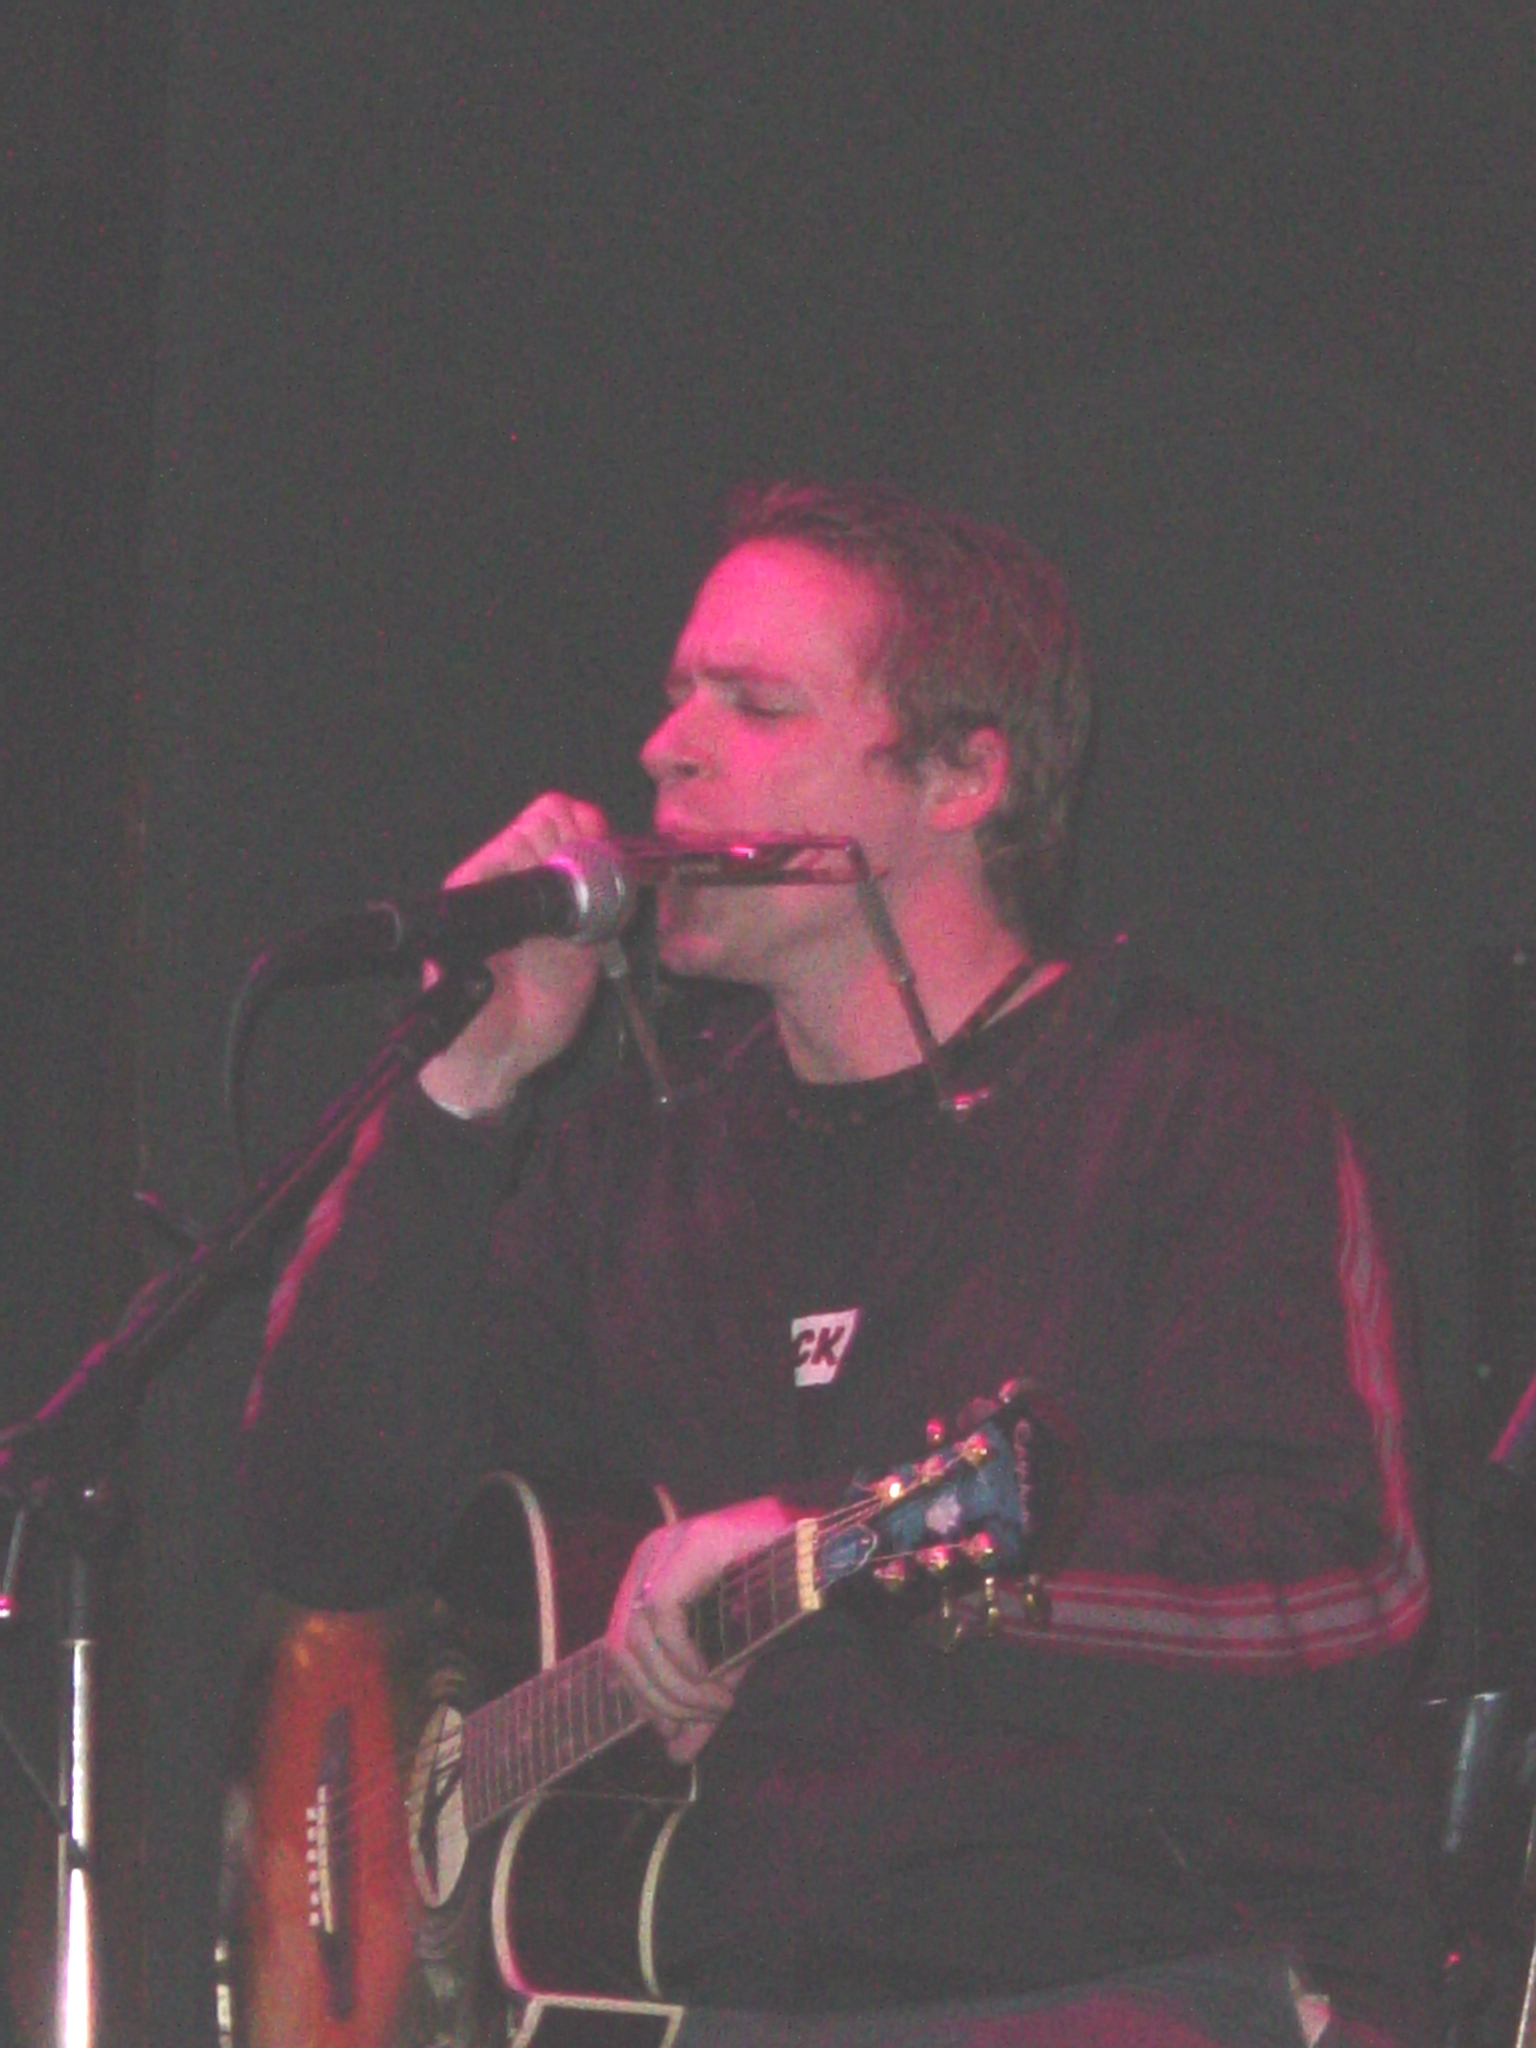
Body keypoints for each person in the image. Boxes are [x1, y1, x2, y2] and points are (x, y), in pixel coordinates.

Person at [243, 482, 1435, 2040]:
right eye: (676, 695)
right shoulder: (641, 1166)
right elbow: (326, 1529)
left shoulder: (1190, 1119)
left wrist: (848, 1556)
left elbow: (1339, 1604)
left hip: (1105, 1981)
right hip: (723, 1999)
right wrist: (467, 1084)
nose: (665, 748)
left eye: (753, 705)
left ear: (962, 776)